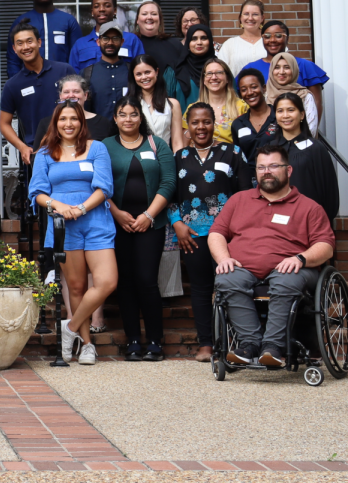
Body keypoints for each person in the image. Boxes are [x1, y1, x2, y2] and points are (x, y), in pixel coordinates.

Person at [210, 145, 335, 368]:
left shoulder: (309, 207)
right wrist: (223, 259)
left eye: (274, 166)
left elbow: (325, 246)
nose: (267, 171)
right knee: (226, 278)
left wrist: (300, 258)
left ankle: (273, 347)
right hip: (244, 269)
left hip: (293, 270)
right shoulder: (239, 200)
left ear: (289, 170)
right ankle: (250, 345)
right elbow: (217, 233)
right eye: (261, 167)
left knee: (286, 279)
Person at [28, 101, 117, 365]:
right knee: (76, 287)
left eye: (74, 119)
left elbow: (104, 188)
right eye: (63, 119)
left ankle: (69, 329)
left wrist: (80, 208)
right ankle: (86, 344)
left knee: (107, 282)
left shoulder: (96, 148)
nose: (68, 124)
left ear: (82, 122)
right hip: (63, 226)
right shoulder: (44, 153)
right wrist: (59, 205)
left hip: (96, 221)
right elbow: (38, 193)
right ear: (55, 123)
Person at [168, 102, 252, 363]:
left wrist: (238, 231)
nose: (201, 127)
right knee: (201, 289)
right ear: (187, 126)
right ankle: (206, 344)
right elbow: (169, 194)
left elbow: (247, 195)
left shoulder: (233, 152)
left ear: (214, 124)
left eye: (206, 121)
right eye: (195, 122)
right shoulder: (179, 157)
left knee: (231, 287)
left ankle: (236, 342)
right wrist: (177, 224)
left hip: (228, 236)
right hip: (192, 236)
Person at [102, 97, 176, 362]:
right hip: (116, 224)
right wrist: (117, 213)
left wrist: (148, 215)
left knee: (146, 281)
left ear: (140, 117)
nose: (128, 119)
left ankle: (155, 341)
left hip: (151, 224)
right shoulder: (104, 147)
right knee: (125, 283)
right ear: (115, 118)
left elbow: (168, 182)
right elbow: (97, 184)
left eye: (134, 114)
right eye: (123, 114)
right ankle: (132, 341)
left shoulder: (158, 144)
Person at [0, 20, 76, 165]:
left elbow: (82, 107)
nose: (26, 47)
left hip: (71, 147)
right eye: (20, 43)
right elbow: (4, 124)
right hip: (38, 154)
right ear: (14, 49)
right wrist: (22, 147)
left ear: (39, 42)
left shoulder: (64, 70)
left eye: (30, 41)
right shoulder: (12, 85)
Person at [270, 93, 338, 222]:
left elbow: (330, 193)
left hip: (310, 222)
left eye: (291, 110)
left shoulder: (315, 148)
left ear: (302, 114)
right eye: (280, 111)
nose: (285, 115)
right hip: (276, 222)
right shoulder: (269, 149)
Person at [239, 20, 328, 117]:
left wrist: (309, 131)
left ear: (287, 38)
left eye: (278, 36)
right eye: (267, 36)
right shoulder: (251, 68)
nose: (272, 40)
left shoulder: (305, 65)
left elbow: (316, 103)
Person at [6, 0, 83, 78]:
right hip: (30, 80)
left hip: (62, 81)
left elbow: (77, 55)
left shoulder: (68, 20)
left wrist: (73, 82)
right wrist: (17, 83)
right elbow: (13, 59)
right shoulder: (21, 22)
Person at [67, 0, 145, 72]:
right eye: (96, 6)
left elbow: (141, 70)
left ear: (115, 10)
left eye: (107, 5)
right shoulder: (80, 44)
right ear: (92, 12)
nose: (101, 9)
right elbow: (74, 77)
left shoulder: (131, 40)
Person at [32, 75, 113, 150]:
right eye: (66, 92)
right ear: (60, 96)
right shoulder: (46, 123)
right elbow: (37, 156)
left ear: (85, 95)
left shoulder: (103, 123)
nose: (71, 95)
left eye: (76, 91)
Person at [183, 58, 247, 145]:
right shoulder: (192, 109)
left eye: (219, 73)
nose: (214, 77)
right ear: (203, 80)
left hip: (230, 156)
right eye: (209, 73)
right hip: (198, 156)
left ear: (228, 78)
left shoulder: (242, 107)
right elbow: (184, 145)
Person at [130, 54, 183, 149]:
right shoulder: (129, 104)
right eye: (139, 74)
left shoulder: (172, 104)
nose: (144, 77)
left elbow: (177, 142)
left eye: (147, 72)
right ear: (133, 77)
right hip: (136, 160)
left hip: (164, 159)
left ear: (156, 71)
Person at [265, 52, 319, 135]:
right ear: (271, 70)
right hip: (270, 146)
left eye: (287, 67)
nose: (281, 72)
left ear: (294, 70)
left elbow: (311, 128)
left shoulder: (305, 95)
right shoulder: (266, 96)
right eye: (277, 67)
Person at [86, 22, 130, 120]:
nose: (110, 42)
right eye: (105, 38)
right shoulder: (87, 73)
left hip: (128, 130)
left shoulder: (132, 71)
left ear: (122, 42)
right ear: (98, 41)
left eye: (115, 38)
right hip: (98, 133)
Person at [231, 68, 276, 163]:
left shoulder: (278, 117)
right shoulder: (238, 124)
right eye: (244, 89)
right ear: (240, 94)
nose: (250, 92)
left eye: (254, 87)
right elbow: (238, 158)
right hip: (249, 176)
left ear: (264, 88)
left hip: (277, 174)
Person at [215, 0, 267, 76]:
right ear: (240, 17)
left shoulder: (271, 42)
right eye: (246, 14)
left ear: (262, 18)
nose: (250, 18)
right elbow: (221, 72)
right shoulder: (230, 44)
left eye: (255, 14)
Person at [171, 24, 216, 111]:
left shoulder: (220, 68)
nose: (199, 42)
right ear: (188, 43)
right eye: (194, 39)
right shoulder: (175, 70)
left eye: (203, 38)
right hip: (183, 122)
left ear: (210, 41)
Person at [132, 1, 183, 69]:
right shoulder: (130, 44)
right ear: (137, 20)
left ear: (160, 19)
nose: (149, 17)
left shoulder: (175, 44)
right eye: (144, 14)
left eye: (154, 14)